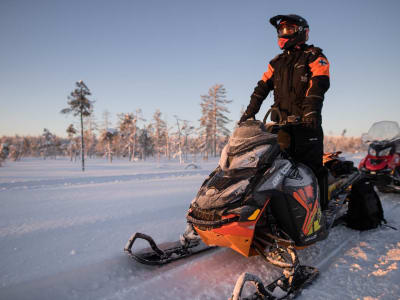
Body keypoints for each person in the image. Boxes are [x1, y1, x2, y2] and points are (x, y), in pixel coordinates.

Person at [239, 14, 330, 209]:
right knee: (275, 170)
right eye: (281, 30)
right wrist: (249, 113)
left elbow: (318, 85)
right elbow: (261, 88)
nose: (283, 33)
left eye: (288, 29)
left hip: (306, 124)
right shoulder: (276, 63)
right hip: (281, 126)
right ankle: (281, 213)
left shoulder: (315, 56)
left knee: (311, 169)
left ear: (301, 31)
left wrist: (310, 112)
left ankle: (319, 211)